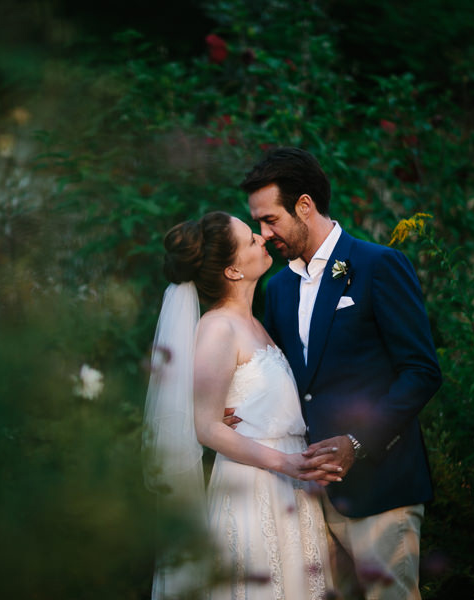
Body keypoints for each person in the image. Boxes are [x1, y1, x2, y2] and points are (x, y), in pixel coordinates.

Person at [234, 147, 442, 600]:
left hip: (381, 490)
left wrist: (357, 443)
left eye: (271, 220)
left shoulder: (377, 265)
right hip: (307, 499)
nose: (264, 234)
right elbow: (284, 378)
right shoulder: (280, 287)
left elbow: (421, 372)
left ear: (304, 205)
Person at [144, 211, 343, 600]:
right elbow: (205, 426)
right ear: (233, 271)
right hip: (253, 490)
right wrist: (286, 463)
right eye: (251, 240)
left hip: (290, 485)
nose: (262, 238)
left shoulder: (255, 323)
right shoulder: (217, 328)